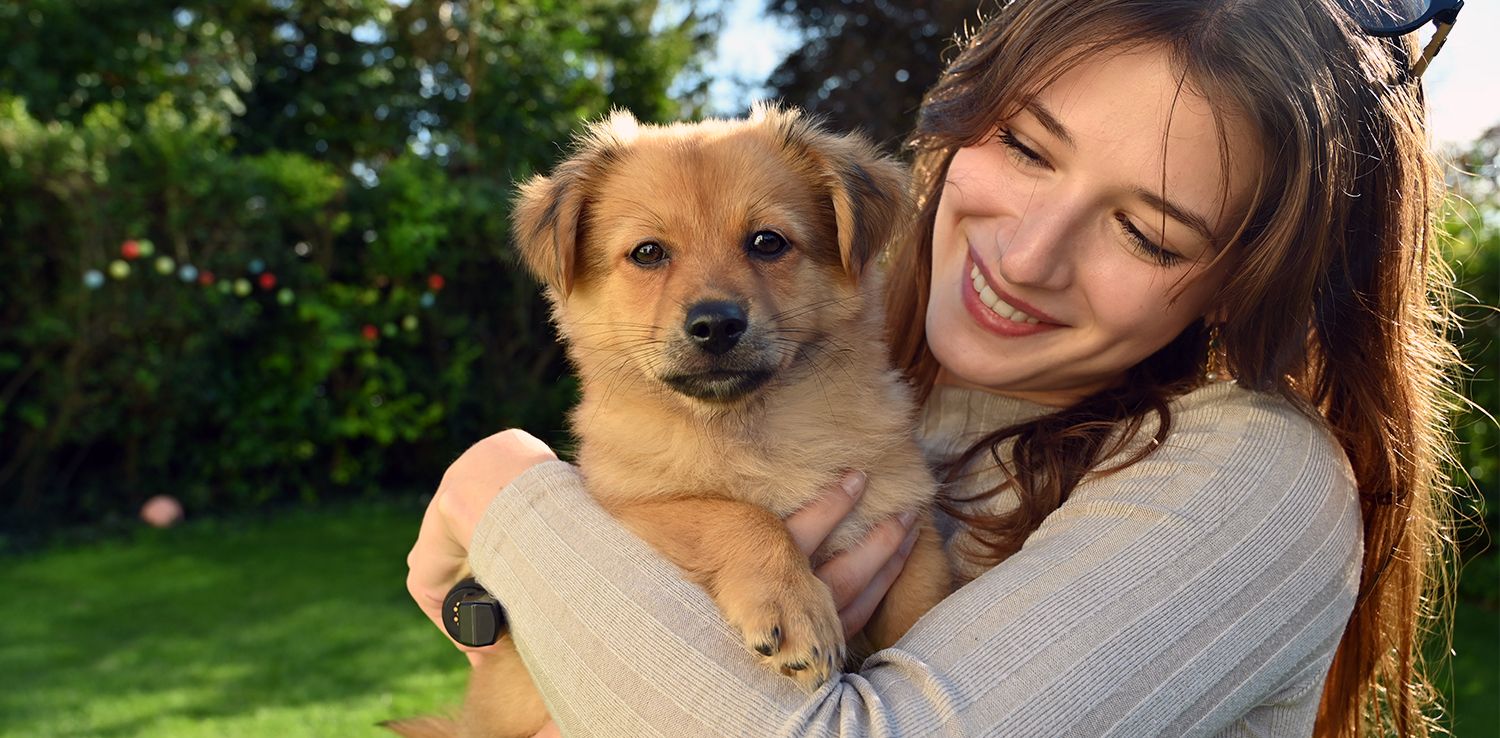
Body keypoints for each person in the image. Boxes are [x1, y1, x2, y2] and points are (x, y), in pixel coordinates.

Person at [404, 0, 1459, 735]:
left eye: (1146, 232)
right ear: (961, 114)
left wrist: (508, 494)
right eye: (1031, 150)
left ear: (1243, 279)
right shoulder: (871, 377)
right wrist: (528, 611)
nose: (1030, 252)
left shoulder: (1249, 479)